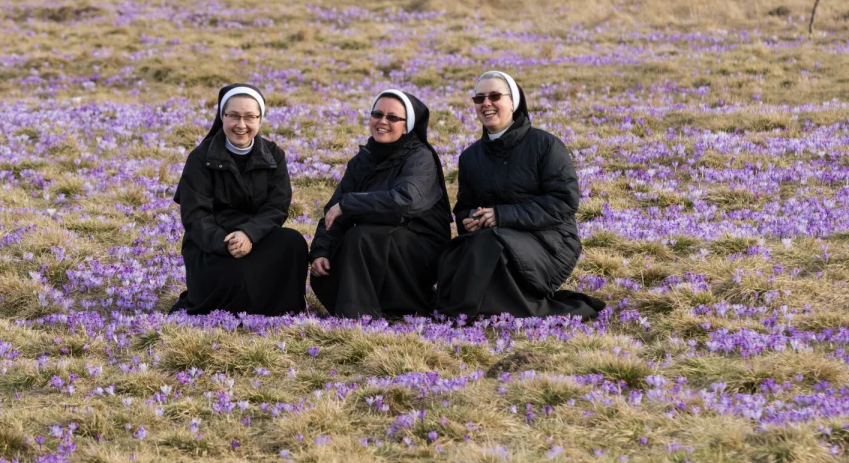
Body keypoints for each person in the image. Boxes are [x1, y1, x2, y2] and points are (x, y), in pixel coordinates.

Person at [435, 70, 605, 321]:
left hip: (551, 242)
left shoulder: (545, 145)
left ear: (513, 102)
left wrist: (502, 216)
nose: (486, 104)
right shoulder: (470, 157)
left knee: (489, 242)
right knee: (459, 248)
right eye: (479, 98)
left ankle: (463, 312)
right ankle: (482, 310)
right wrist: (470, 219)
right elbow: (464, 207)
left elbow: (564, 201)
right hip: (495, 239)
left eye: (495, 96)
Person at [309, 89, 453, 319]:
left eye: (393, 118)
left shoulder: (420, 157)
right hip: (380, 243)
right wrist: (320, 251)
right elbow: (333, 212)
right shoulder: (363, 160)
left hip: (419, 248)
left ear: (407, 126)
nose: (382, 121)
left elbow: (405, 203)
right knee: (330, 264)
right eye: (377, 114)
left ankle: (358, 317)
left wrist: (350, 204)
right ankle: (371, 311)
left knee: (362, 237)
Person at [171, 84, 308, 315]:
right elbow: (196, 216)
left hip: (255, 238)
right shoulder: (200, 158)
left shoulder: (274, 155)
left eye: (249, 117)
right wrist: (225, 243)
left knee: (293, 243)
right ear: (222, 116)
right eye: (233, 116)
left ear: (259, 119)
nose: (241, 125)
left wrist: (249, 234)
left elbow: (277, 206)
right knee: (236, 275)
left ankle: (281, 310)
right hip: (211, 245)